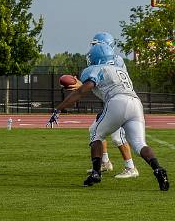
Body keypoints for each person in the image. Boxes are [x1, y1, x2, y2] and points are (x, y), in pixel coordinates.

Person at [47, 43, 169, 190]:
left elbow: (81, 92)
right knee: (139, 144)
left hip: (118, 101)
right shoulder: (119, 69)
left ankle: (96, 172)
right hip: (136, 103)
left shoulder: (96, 68)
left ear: (96, 58)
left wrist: (59, 108)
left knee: (95, 133)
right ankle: (158, 169)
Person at [80, 32, 139, 178]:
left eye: (96, 44)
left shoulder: (113, 61)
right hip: (113, 101)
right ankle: (105, 162)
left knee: (117, 136)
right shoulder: (114, 59)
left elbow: (101, 80)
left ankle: (131, 167)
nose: (93, 47)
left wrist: (80, 86)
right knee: (95, 129)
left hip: (119, 103)